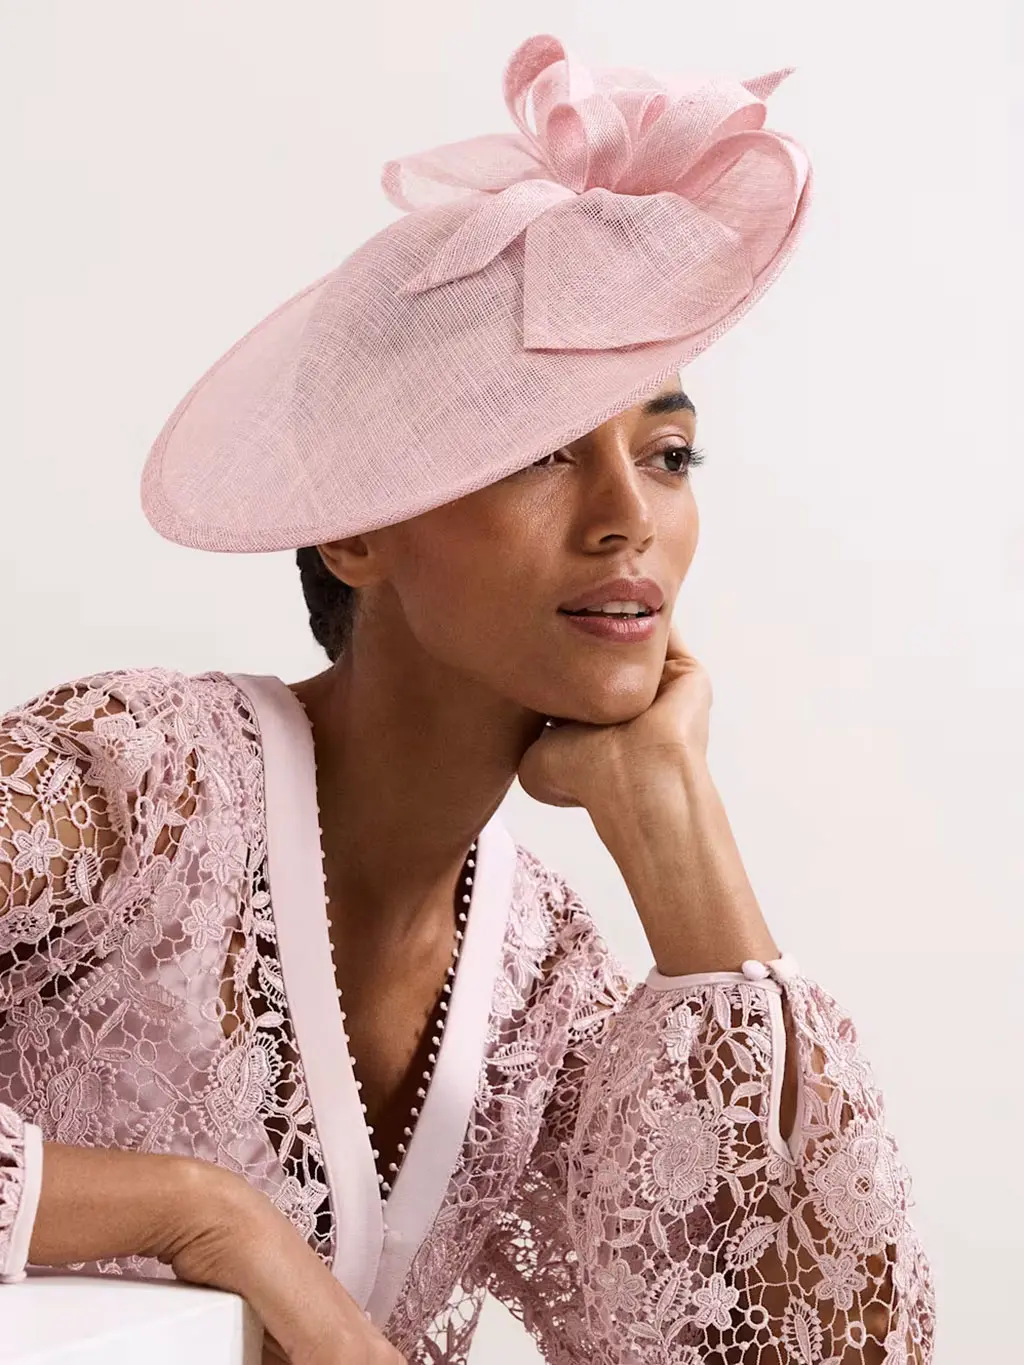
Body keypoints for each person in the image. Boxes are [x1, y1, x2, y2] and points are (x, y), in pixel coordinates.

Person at [0, 31, 934, 1365]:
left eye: (667, 452)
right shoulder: (128, 792)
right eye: (539, 450)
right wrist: (210, 1221)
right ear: (357, 529)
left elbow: (820, 1350)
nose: (629, 521)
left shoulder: (539, 985)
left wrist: (676, 825)